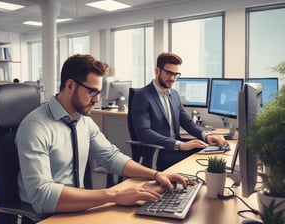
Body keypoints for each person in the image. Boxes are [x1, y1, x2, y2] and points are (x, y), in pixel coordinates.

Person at [15, 54, 189, 215]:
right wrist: (113, 195)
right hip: (48, 215)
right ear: (70, 86)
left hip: (79, 208)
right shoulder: (36, 127)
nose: (97, 99)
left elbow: (111, 157)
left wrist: (156, 175)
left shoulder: (83, 121)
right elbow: (42, 196)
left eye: (99, 93)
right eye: (92, 92)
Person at [131, 52, 228, 171]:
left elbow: (187, 122)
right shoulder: (143, 96)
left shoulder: (174, 94)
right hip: (158, 152)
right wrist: (180, 145)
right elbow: (144, 133)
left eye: (176, 74)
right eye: (169, 73)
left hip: (175, 147)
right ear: (157, 71)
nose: (172, 78)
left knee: (210, 151)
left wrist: (207, 136)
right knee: (200, 160)